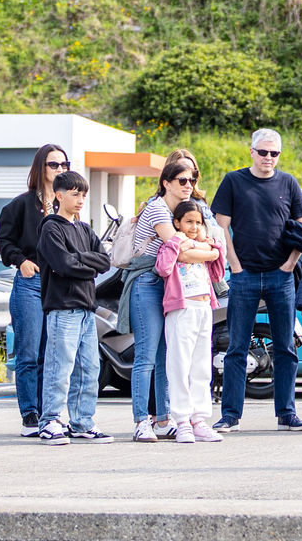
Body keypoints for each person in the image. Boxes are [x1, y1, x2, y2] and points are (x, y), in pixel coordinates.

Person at [212, 128, 302, 432]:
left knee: (285, 347)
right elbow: (220, 227)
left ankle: (287, 413)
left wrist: (289, 264)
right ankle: (230, 415)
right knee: (237, 347)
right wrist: (235, 266)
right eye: (263, 152)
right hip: (245, 276)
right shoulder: (234, 181)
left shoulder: (288, 183)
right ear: (251, 151)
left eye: (274, 153)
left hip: (280, 277)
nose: (268, 158)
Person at [0, 143, 70, 437]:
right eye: (54, 165)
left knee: (52, 353)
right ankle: (30, 414)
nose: (60, 170)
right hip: (30, 282)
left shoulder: (69, 206)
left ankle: (50, 414)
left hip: (60, 285)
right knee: (29, 353)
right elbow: (4, 241)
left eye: (64, 165)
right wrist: (21, 261)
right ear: (41, 168)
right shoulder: (20, 205)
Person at [126, 158, 201, 442]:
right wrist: (205, 247)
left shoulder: (178, 211)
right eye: (182, 180)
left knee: (165, 356)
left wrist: (201, 244)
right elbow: (179, 247)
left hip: (168, 284)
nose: (188, 185)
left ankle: (163, 419)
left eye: (191, 180)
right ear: (166, 183)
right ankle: (140, 421)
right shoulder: (157, 208)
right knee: (145, 356)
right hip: (146, 283)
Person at [37, 170, 114, 445]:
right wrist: (85, 265)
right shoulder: (50, 227)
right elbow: (62, 264)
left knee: (89, 369)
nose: (80, 199)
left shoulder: (84, 229)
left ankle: (82, 422)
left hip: (86, 309)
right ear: (59, 195)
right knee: (60, 367)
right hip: (62, 308)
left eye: (83, 194)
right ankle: (50, 421)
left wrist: (79, 260)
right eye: (75, 194)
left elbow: (104, 262)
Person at [156, 199, 227, 444]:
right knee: (179, 365)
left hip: (204, 308)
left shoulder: (202, 245)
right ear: (176, 223)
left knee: (201, 366)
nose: (194, 226)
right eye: (188, 221)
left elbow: (218, 272)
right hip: (181, 308)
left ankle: (199, 419)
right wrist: (177, 243)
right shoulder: (172, 245)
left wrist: (213, 248)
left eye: (198, 222)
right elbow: (163, 268)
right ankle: (182, 420)